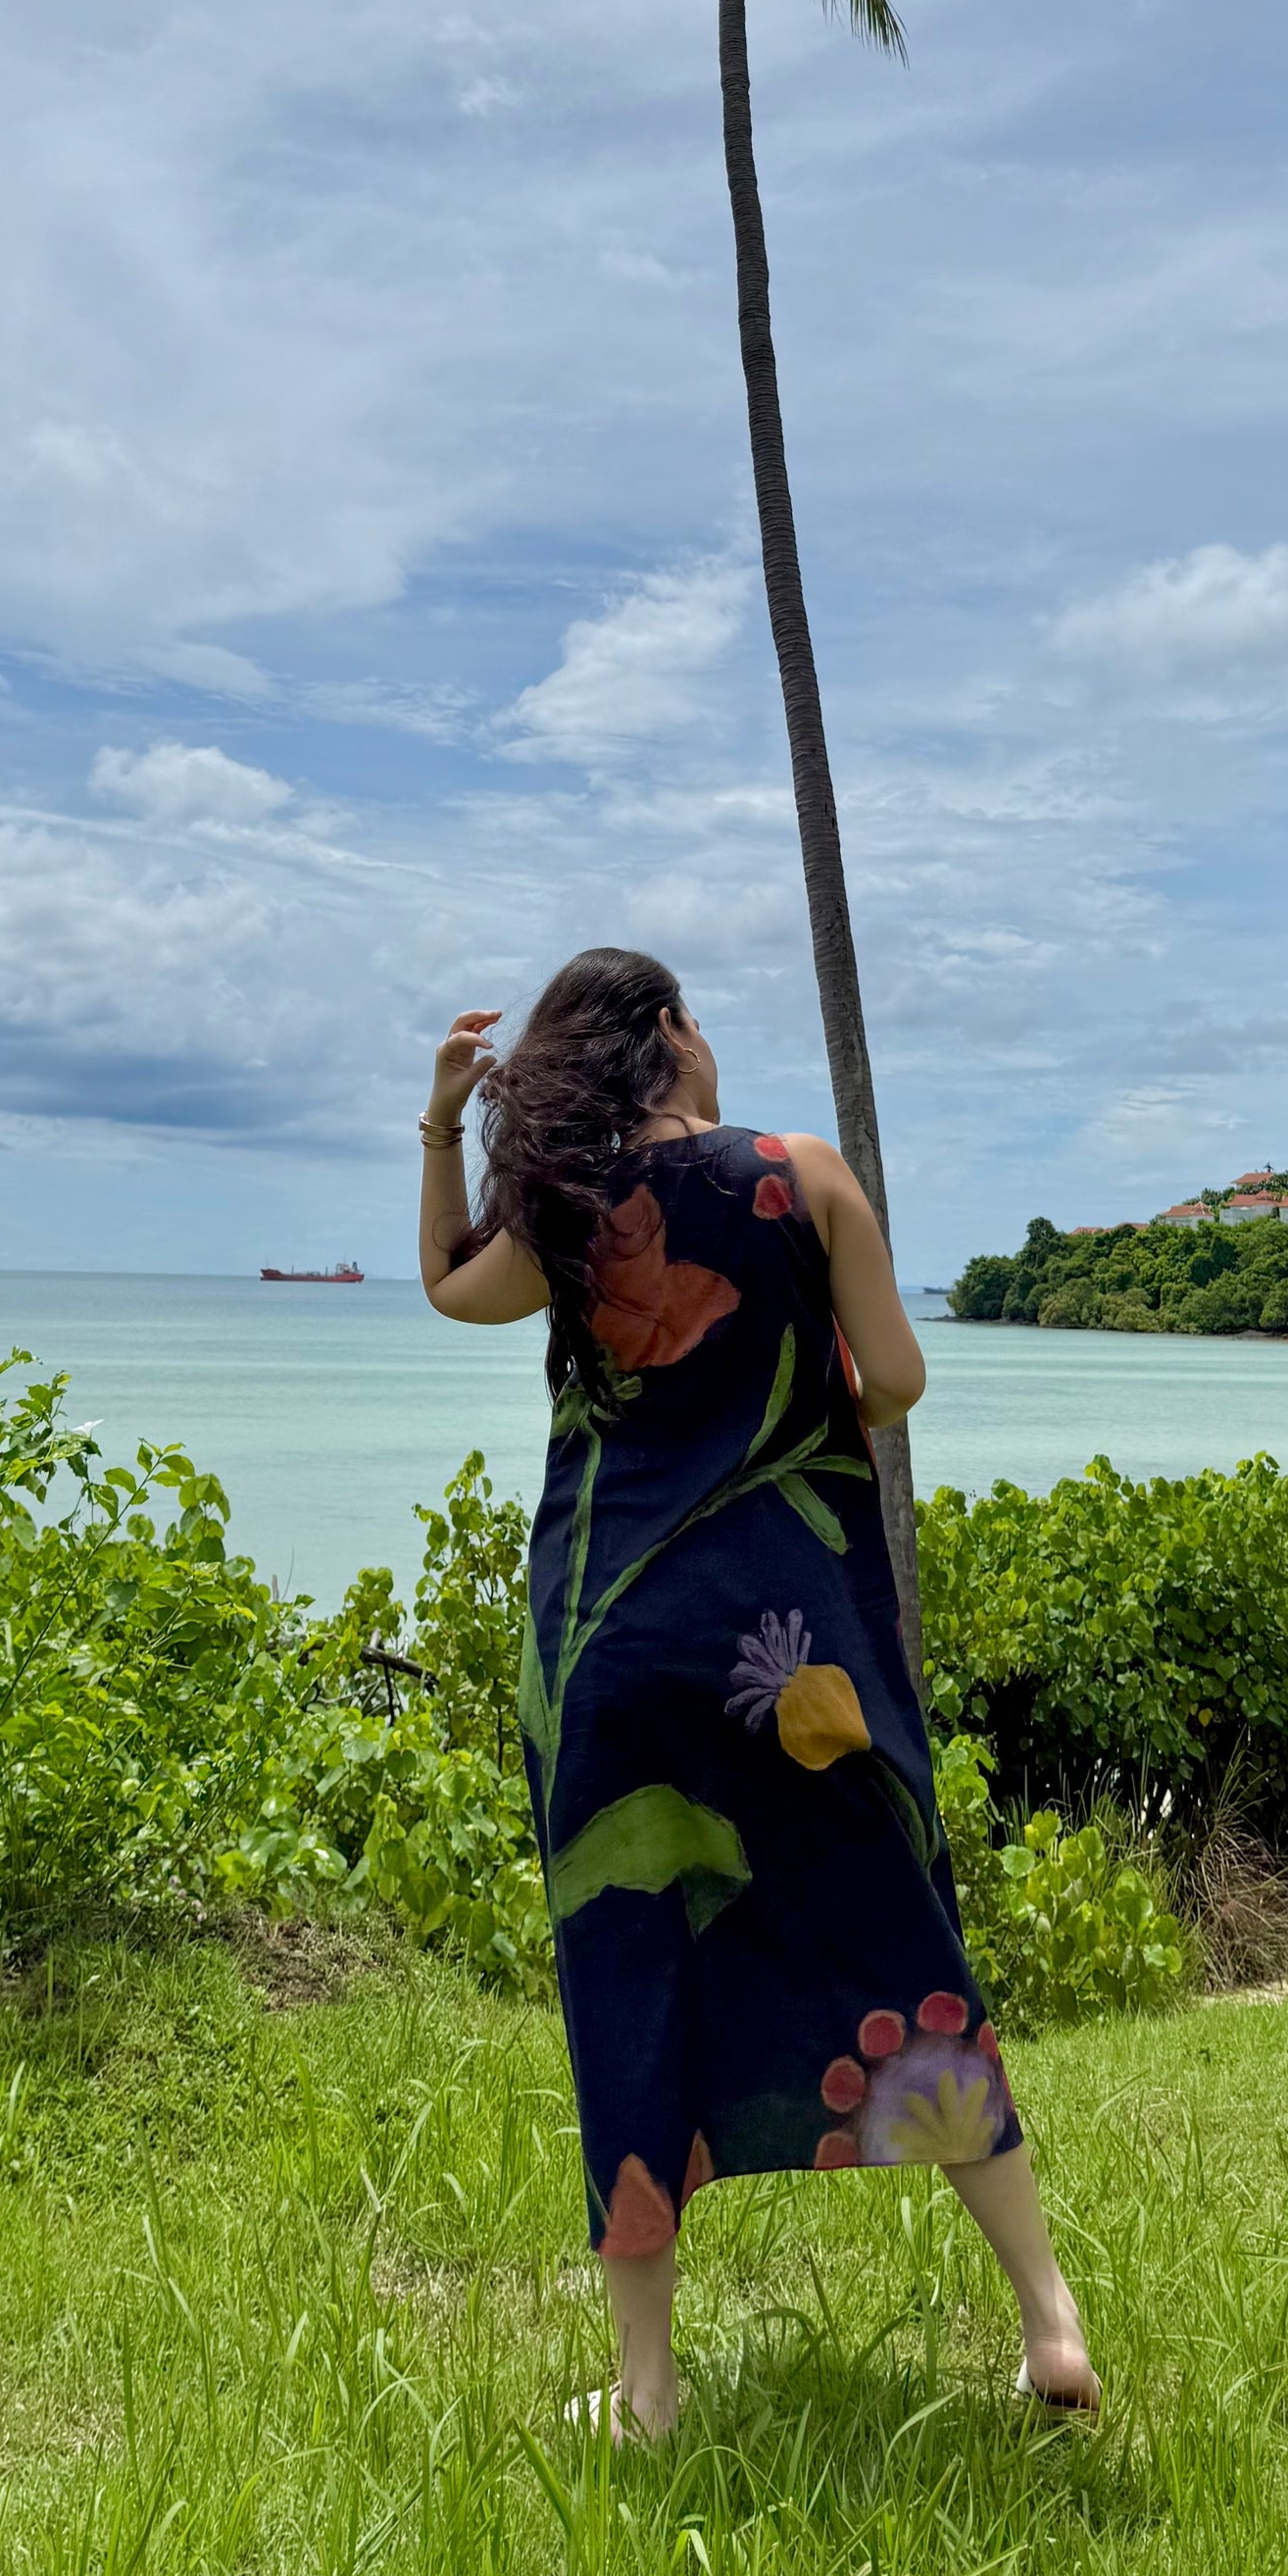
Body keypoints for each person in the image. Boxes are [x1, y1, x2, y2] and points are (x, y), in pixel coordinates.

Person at [418, 947, 1101, 2440]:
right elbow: (901, 1378)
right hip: (789, 1649)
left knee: (630, 1970)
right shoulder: (802, 1171)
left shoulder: (567, 1204)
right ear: (670, 1033)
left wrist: (437, 1130)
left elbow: (453, 1294)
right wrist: (800, 1389)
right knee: (903, 1939)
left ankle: (650, 2393)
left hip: (608, 1652)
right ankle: (1050, 2322)